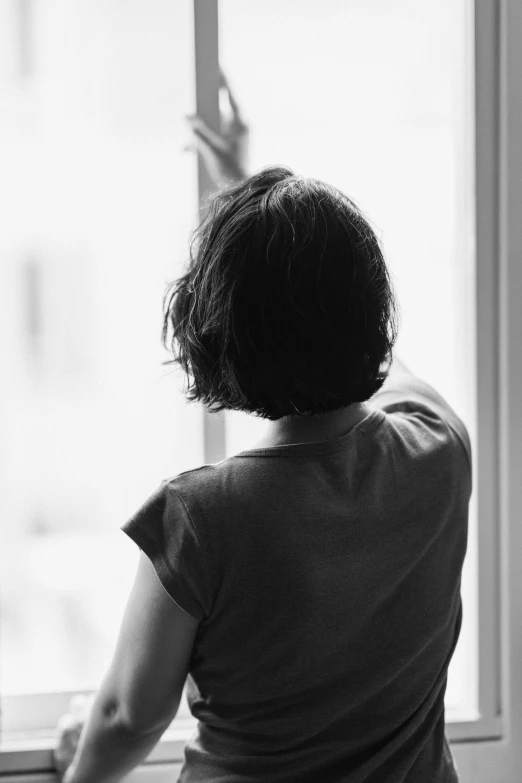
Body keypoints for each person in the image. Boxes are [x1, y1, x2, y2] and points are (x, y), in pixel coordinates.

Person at [54, 72, 471, 783]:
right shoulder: (439, 446)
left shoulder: (201, 517)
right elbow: (356, 337)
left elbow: (129, 715)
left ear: (218, 336)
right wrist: (261, 202)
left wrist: (78, 770)